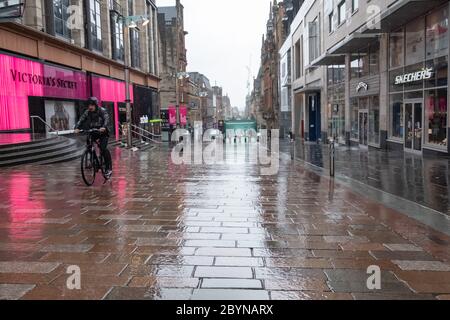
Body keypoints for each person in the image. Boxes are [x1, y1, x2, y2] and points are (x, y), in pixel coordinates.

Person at [74, 97, 112, 178]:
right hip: (93, 131)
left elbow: (106, 119)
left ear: (95, 105)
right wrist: (77, 127)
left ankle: (108, 168)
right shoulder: (87, 112)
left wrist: (104, 127)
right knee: (89, 143)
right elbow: (81, 119)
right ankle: (93, 159)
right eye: (88, 105)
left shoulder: (102, 110)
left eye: (91, 105)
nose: (90, 107)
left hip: (103, 132)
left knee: (103, 148)